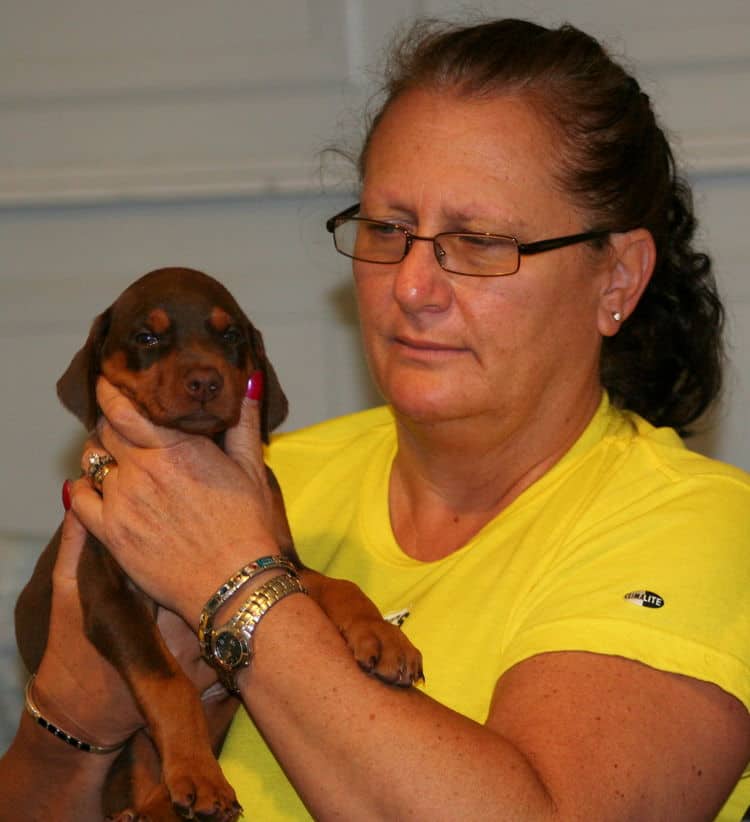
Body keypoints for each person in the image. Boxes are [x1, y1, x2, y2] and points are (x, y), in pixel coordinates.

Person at [2, 16, 749, 821]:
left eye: (478, 241)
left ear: (618, 278)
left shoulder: (695, 529)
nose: (412, 287)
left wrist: (234, 581)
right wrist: (70, 722)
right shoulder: (272, 478)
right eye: (388, 230)